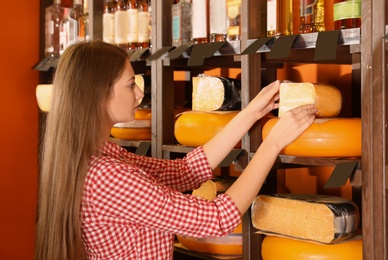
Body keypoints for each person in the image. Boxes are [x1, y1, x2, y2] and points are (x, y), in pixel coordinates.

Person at [35, 40, 316, 260]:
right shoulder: (107, 177)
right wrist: (273, 143)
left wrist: (251, 113)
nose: (139, 94)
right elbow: (217, 219)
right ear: (99, 93)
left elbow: (185, 171)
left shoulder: (104, 155)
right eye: (131, 84)